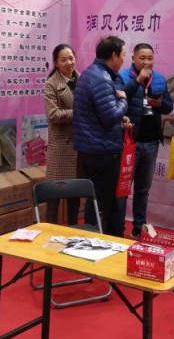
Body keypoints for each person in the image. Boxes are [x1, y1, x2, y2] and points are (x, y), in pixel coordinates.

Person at [72, 36, 131, 237]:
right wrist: (123, 101)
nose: (123, 60)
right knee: (100, 202)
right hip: (102, 150)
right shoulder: (102, 79)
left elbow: (100, 114)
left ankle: (110, 238)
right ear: (113, 55)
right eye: (123, 55)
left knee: (104, 199)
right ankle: (92, 239)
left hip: (94, 147)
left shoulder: (91, 74)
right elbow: (110, 116)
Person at [118, 43, 174, 239]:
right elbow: (119, 99)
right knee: (124, 188)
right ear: (133, 58)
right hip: (129, 142)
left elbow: (168, 106)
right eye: (142, 58)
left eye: (150, 58)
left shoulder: (159, 78)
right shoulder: (123, 77)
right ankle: (118, 227)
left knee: (143, 189)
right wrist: (138, 81)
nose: (146, 62)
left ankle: (138, 226)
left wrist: (159, 104)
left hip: (151, 141)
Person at [44, 44, 81, 225]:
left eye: (71, 58)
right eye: (64, 60)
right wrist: (79, 112)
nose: (69, 63)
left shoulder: (82, 79)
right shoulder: (51, 84)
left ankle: (72, 231)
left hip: (79, 146)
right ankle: (49, 230)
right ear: (56, 63)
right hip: (61, 147)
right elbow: (53, 115)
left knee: (75, 194)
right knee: (54, 196)